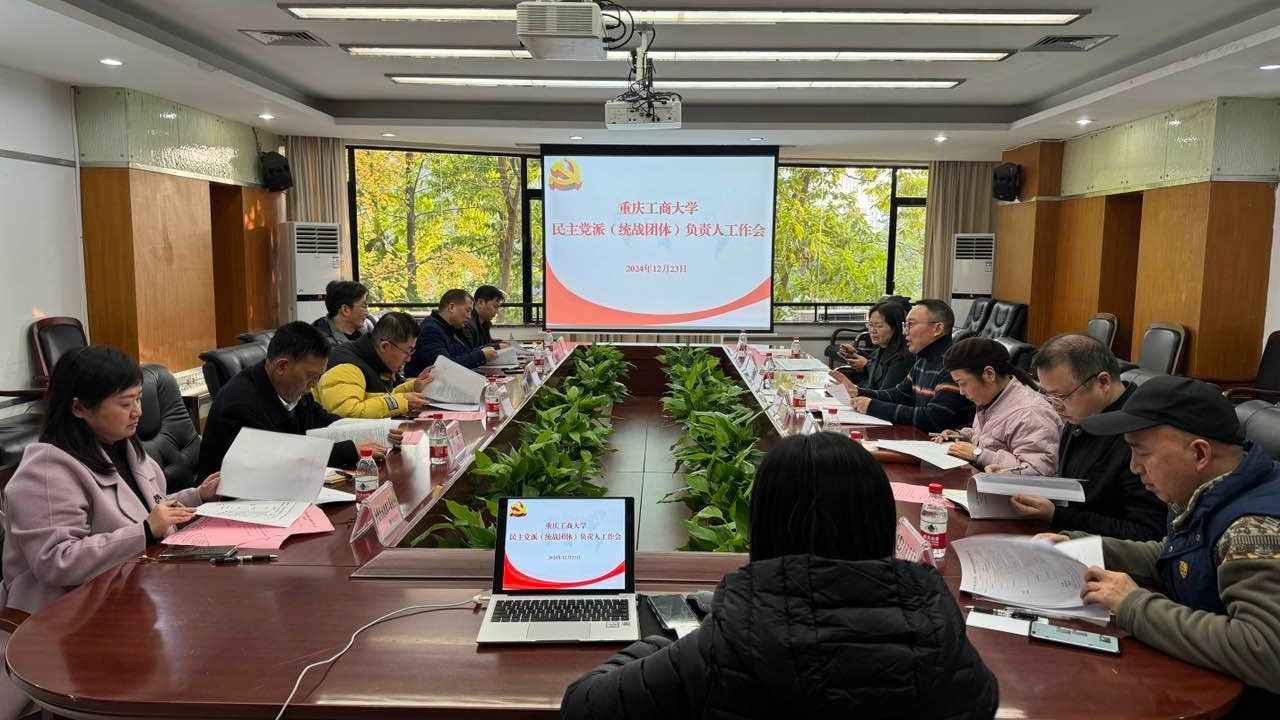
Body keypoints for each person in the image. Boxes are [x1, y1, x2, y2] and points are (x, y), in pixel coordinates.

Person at [561, 433, 998, 720]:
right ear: (879, 518)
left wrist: (669, 641)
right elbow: (983, 700)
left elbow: (584, 704)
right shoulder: (941, 634)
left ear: (765, 523)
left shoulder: (727, 641)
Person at [0, 346, 220, 719]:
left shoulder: (126, 450)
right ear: (79, 408)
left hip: (133, 601)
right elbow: (58, 561)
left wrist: (198, 495)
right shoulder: (47, 470)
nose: (138, 412)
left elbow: (151, 509)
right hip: (68, 624)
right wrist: (145, 531)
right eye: (125, 403)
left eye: (138, 399)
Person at [1038, 376, 1280, 711]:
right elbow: (1174, 554)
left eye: (1142, 452)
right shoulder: (1208, 490)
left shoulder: (1253, 530)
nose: (1134, 467)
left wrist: (1133, 605)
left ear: (1199, 453)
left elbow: (1266, 651)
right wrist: (1080, 546)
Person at [1003, 334, 1165, 540]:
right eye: (1048, 396)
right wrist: (1017, 478)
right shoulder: (1080, 415)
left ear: (1103, 382)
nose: (1055, 406)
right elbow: (1074, 488)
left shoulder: (1140, 435)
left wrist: (1058, 515)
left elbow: (1146, 533)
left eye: (1061, 396)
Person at [197, 322, 395, 481]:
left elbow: (323, 420)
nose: (314, 384)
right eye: (311, 376)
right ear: (281, 366)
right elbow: (278, 459)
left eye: (318, 376)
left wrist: (376, 430)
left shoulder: (291, 387)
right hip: (229, 503)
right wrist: (350, 450)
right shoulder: (239, 405)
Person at [829, 299, 974, 433]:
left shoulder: (953, 364)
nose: (905, 332)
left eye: (911, 324)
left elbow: (935, 418)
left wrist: (872, 406)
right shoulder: (923, 359)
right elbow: (899, 394)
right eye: (905, 325)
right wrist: (857, 391)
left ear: (937, 328)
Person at [933, 337, 1062, 475]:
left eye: (962, 383)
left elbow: (1037, 472)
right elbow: (990, 437)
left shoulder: (1030, 413)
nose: (961, 391)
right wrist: (961, 437)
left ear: (989, 374)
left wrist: (979, 454)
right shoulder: (992, 397)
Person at [314, 312, 433, 418]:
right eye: (408, 351)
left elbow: (376, 398)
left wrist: (413, 387)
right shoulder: (346, 367)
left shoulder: (371, 359)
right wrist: (402, 402)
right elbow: (348, 413)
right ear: (385, 346)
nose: (409, 358)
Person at [405, 289, 498, 376]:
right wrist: (481, 355)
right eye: (467, 310)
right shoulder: (431, 330)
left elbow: (462, 354)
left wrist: (482, 350)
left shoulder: (448, 327)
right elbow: (445, 366)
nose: (469, 317)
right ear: (451, 307)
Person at [835, 299, 914, 392]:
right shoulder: (883, 349)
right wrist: (855, 356)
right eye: (870, 325)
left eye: (879, 326)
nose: (872, 331)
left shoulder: (902, 358)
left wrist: (855, 391)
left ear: (896, 327)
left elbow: (885, 394)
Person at [312, 280, 374, 344]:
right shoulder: (318, 340)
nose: (367, 313)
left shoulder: (368, 326)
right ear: (345, 310)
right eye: (364, 307)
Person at [460, 285, 509, 351]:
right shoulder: (467, 323)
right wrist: (497, 346)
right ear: (480, 303)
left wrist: (499, 342)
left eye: (498, 308)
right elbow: (469, 352)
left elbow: (486, 342)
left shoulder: (485, 323)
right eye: (495, 306)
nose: (497, 312)